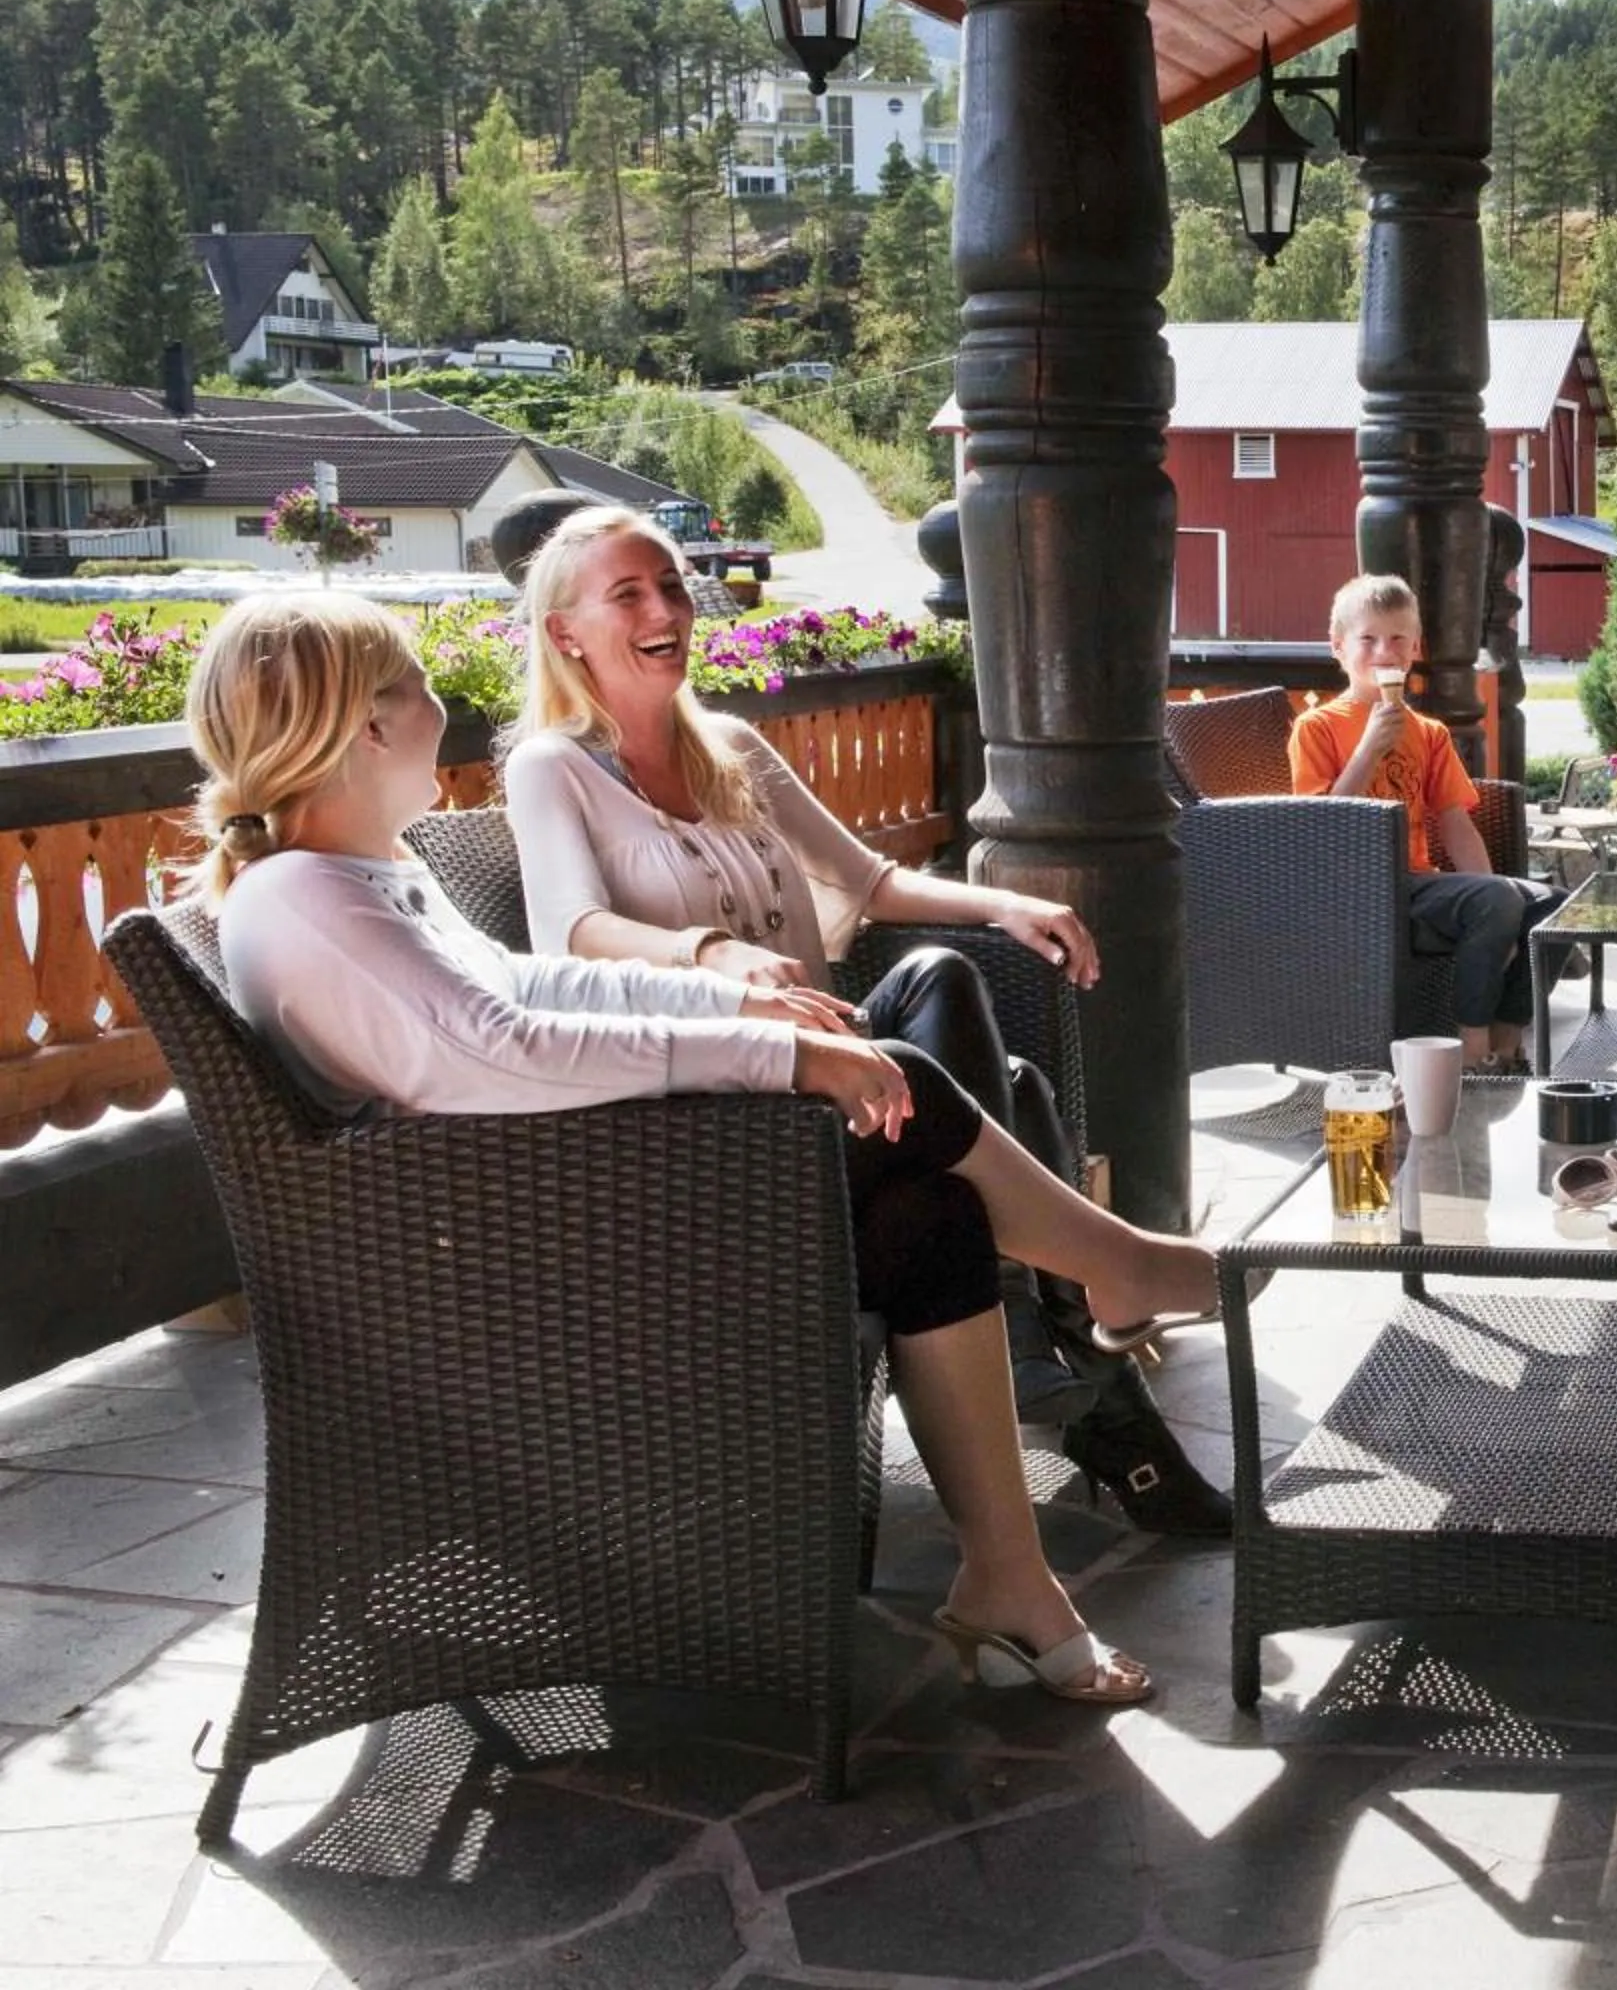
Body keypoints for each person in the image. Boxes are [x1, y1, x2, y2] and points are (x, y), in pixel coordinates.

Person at [187, 591, 1220, 1703]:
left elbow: (535, 982)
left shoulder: (363, 876)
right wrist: (771, 1058)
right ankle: (1115, 1264)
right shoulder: (299, 899)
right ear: (365, 728)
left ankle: (1009, 1577)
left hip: (567, 1203)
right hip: (531, 1273)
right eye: (415, 683)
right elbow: (498, 1049)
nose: (443, 702)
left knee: (934, 1212)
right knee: (903, 1083)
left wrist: (750, 1019)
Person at [497, 505, 1229, 1536]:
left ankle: (1036, 1323)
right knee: (1008, 1093)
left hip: (847, 1077)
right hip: (725, 1099)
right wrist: (706, 953)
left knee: (939, 979)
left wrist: (1004, 902)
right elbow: (570, 930)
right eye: (629, 594)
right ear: (567, 631)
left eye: (671, 584)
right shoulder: (552, 769)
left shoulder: (734, 748)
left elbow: (871, 882)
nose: (666, 608)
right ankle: (1077, 1341)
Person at [1291, 572, 1562, 1073]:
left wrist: (1498, 901)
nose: (1383, 652)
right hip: (1358, 886)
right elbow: (1321, 826)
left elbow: (1455, 822)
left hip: (1420, 884)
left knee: (1550, 905)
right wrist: (1370, 746)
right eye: (1367, 639)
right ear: (1338, 648)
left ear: (1414, 648)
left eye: (1397, 639)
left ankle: (1507, 1041)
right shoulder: (1318, 727)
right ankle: (1469, 1048)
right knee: (1499, 900)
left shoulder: (1428, 732)